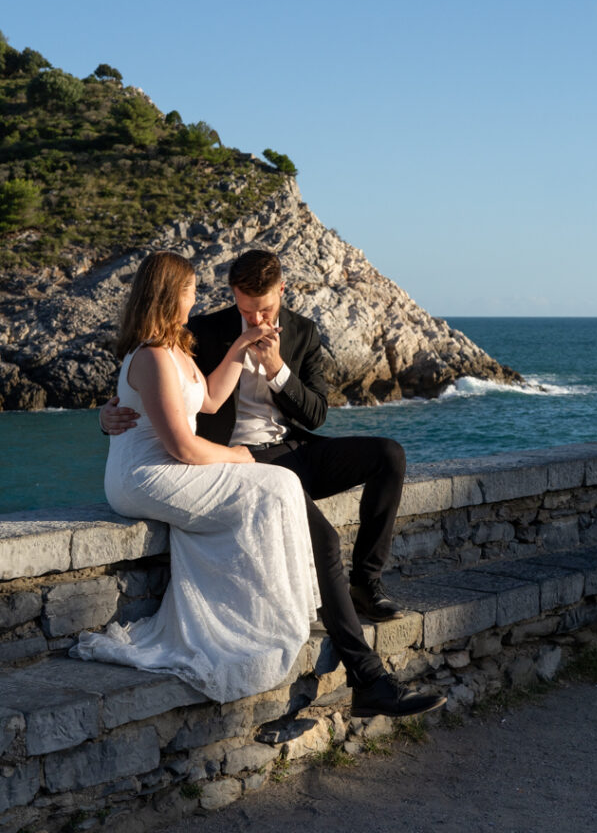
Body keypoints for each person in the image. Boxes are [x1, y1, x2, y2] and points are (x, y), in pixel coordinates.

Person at [102, 248, 446, 718]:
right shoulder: (196, 334)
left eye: (263, 308)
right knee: (320, 536)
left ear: (281, 292)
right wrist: (106, 418)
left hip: (291, 449)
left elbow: (317, 413)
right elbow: (146, 400)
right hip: (237, 460)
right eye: (246, 309)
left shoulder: (302, 332)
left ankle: (366, 583)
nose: (256, 317)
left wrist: (277, 367)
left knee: (389, 454)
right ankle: (367, 675)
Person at [74, 250, 320, 703]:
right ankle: (254, 619)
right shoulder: (150, 355)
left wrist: (241, 346)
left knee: (281, 484)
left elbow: (207, 401)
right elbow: (182, 447)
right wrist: (240, 458)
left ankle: (261, 614)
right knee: (275, 484)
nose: (195, 299)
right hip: (145, 475)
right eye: (189, 291)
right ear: (170, 296)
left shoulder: (175, 348)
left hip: (167, 469)